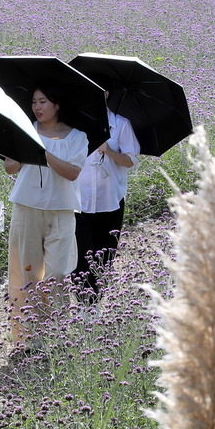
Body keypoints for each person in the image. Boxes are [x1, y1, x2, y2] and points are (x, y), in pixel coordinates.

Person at [4, 84, 87, 345]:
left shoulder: (77, 137)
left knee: (59, 273)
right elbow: (10, 167)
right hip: (27, 207)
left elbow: (72, 172)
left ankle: (58, 334)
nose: (38, 107)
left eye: (43, 102)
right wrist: (27, 145)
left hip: (61, 210)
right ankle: (31, 338)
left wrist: (44, 153)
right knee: (29, 273)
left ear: (57, 105)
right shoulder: (25, 130)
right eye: (34, 102)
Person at [74, 94, 140, 301]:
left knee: (105, 254)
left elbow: (130, 161)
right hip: (78, 199)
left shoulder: (120, 124)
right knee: (80, 254)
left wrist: (109, 151)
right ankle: (85, 304)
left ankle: (96, 302)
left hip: (110, 199)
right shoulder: (75, 123)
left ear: (107, 94)